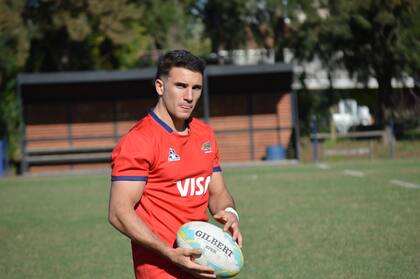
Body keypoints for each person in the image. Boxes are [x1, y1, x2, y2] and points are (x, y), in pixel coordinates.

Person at [108, 49, 242, 279]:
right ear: (160, 87)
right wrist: (169, 253)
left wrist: (229, 213)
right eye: (181, 86)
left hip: (202, 266)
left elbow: (217, 192)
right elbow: (119, 212)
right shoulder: (138, 141)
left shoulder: (205, 135)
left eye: (196, 88)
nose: (189, 96)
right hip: (161, 269)